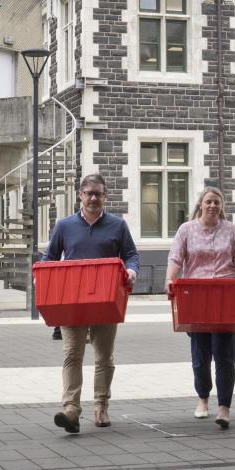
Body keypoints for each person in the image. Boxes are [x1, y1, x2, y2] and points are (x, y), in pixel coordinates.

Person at [44, 173, 139, 434]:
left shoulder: (118, 226)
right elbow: (50, 257)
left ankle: (101, 406)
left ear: (105, 197)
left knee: (104, 356)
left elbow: (131, 255)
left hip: (106, 300)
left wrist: (131, 270)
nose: (93, 198)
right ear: (80, 195)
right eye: (89, 193)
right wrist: (43, 275)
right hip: (72, 301)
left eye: (98, 194)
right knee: (72, 354)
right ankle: (71, 409)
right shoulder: (64, 226)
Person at [165, 187, 235, 430]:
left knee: (224, 355)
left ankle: (224, 407)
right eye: (209, 202)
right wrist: (170, 280)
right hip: (196, 297)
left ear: (221, 206)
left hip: (225, 296)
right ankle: (203, 397)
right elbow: (176, 258)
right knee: (200, 355)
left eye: (217, 202)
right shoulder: (186, 230)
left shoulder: (231, 230)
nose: (213, 206)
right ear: (201, 204)